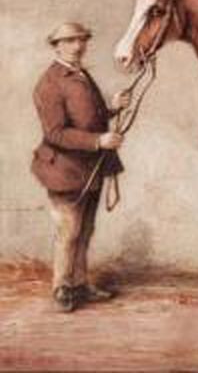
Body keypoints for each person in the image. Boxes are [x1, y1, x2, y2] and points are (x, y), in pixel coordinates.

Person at [31, 22, 131, 312]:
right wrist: (99, 140)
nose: (78, 46)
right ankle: (62, 288)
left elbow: (89, 116)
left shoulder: (81, 74)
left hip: (90, 167)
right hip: (63, 169)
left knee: (85, 230)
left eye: (81, 40)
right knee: (69, 230)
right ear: (56, 46)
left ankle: (80, 284)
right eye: (70, 41)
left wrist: (113, 107)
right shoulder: (49, 82)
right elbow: (55, 133)